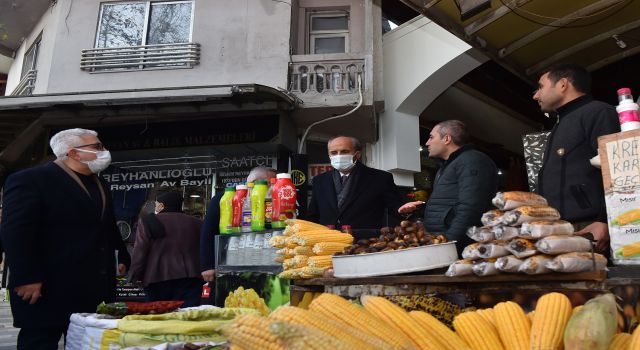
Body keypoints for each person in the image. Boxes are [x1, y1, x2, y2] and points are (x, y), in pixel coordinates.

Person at [0, 128, 130, 349]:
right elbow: (16, 231)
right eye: (97, 147)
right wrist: (26, 276)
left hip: (90, 286)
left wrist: (122, 255)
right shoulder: (31, 180)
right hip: (46, 285)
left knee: (83, 341)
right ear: (73, 153)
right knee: (40, 341)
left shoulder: (100, 184)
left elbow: (106, 226)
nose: (104, 151)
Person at [533, 63, 620, 251]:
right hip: (561, 228)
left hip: (589, 227)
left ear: (563, 84)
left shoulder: (598, 112)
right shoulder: (562, 122)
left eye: (540, 87)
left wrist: (605, 221)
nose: (536, 95)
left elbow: (616, 169)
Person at [399, 120, 498, 254]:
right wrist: (419, 208)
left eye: (431, 137)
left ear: (446, 139)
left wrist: (449, 243)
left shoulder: (472, 161)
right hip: (442, 243)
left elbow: (471, 207)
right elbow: (449, 203)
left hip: (459, 248)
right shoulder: (447, 166)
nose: (427, 142)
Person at [199, 166, 277, 304]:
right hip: (227, 259)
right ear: (255, 181)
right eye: (270, 182)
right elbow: (207, 231)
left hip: (261, 258)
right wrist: (207, 265)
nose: (272, 186)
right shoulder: (225, 197)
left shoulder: (270, 199)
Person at [306, 136, 404, 236]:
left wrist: (404, 210)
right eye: (334, 153)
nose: (338, 156)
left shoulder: (380, 178)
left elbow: (396, 207)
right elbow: (313, 215)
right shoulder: (320, 180)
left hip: (364, 242)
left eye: (344, 152)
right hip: (327, 241)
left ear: (357, 155)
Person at [130, 191, 203, 307]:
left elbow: (140, 252)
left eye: (156, 204)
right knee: (187, 318)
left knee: (158, 319)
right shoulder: (198, 223)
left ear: (161, 206)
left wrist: (134, 276)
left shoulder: (148, 222)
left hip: (156, 279)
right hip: (191, 279)